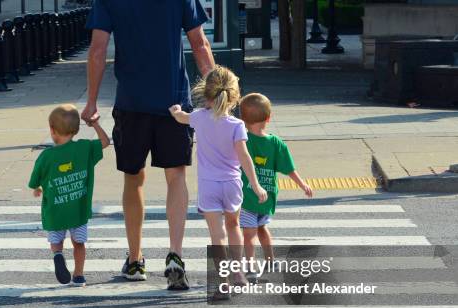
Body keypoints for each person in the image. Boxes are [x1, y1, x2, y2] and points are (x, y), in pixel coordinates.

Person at [82, 0, 215, 290]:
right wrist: (216, 96)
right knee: (176, 174)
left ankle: (135, 259)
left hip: (131, 103)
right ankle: (176, 256)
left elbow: (97, 51)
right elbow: (200, 44)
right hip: (175, 102)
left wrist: (92, 101)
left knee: (134, 177)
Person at [169, 66, 268, 291]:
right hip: (232, 184)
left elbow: (181, 118)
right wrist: (255, 184)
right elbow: (244, 157)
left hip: (208, 185)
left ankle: (222, 280)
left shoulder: (199, 118)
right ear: (234, 97)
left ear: (207, 94)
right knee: (234, 227)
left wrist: (175, 111)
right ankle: (239, 274)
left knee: (217, 235)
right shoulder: (237, 125)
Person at [28, 104, 110, 287]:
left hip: (55, 211)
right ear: (76, 130)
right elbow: (105, 142)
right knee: (78, 243)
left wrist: (37, 188)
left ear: (52, 130)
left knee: (56, 241)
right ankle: (79, 275)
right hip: (78, 211)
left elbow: (35, 179)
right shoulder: (84, 148)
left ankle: (58, 255)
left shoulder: (46, 156)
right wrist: (95, 124)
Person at [239, 93, 313, 276]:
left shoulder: (241, 141)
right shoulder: (276, 143)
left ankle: (253, 266)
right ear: (268, 118)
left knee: (250, 234)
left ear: (242, 119)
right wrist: (303, 185)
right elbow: (289, 169)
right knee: (259, 229)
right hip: (266, 198)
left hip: (246, 198)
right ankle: (264, 263)